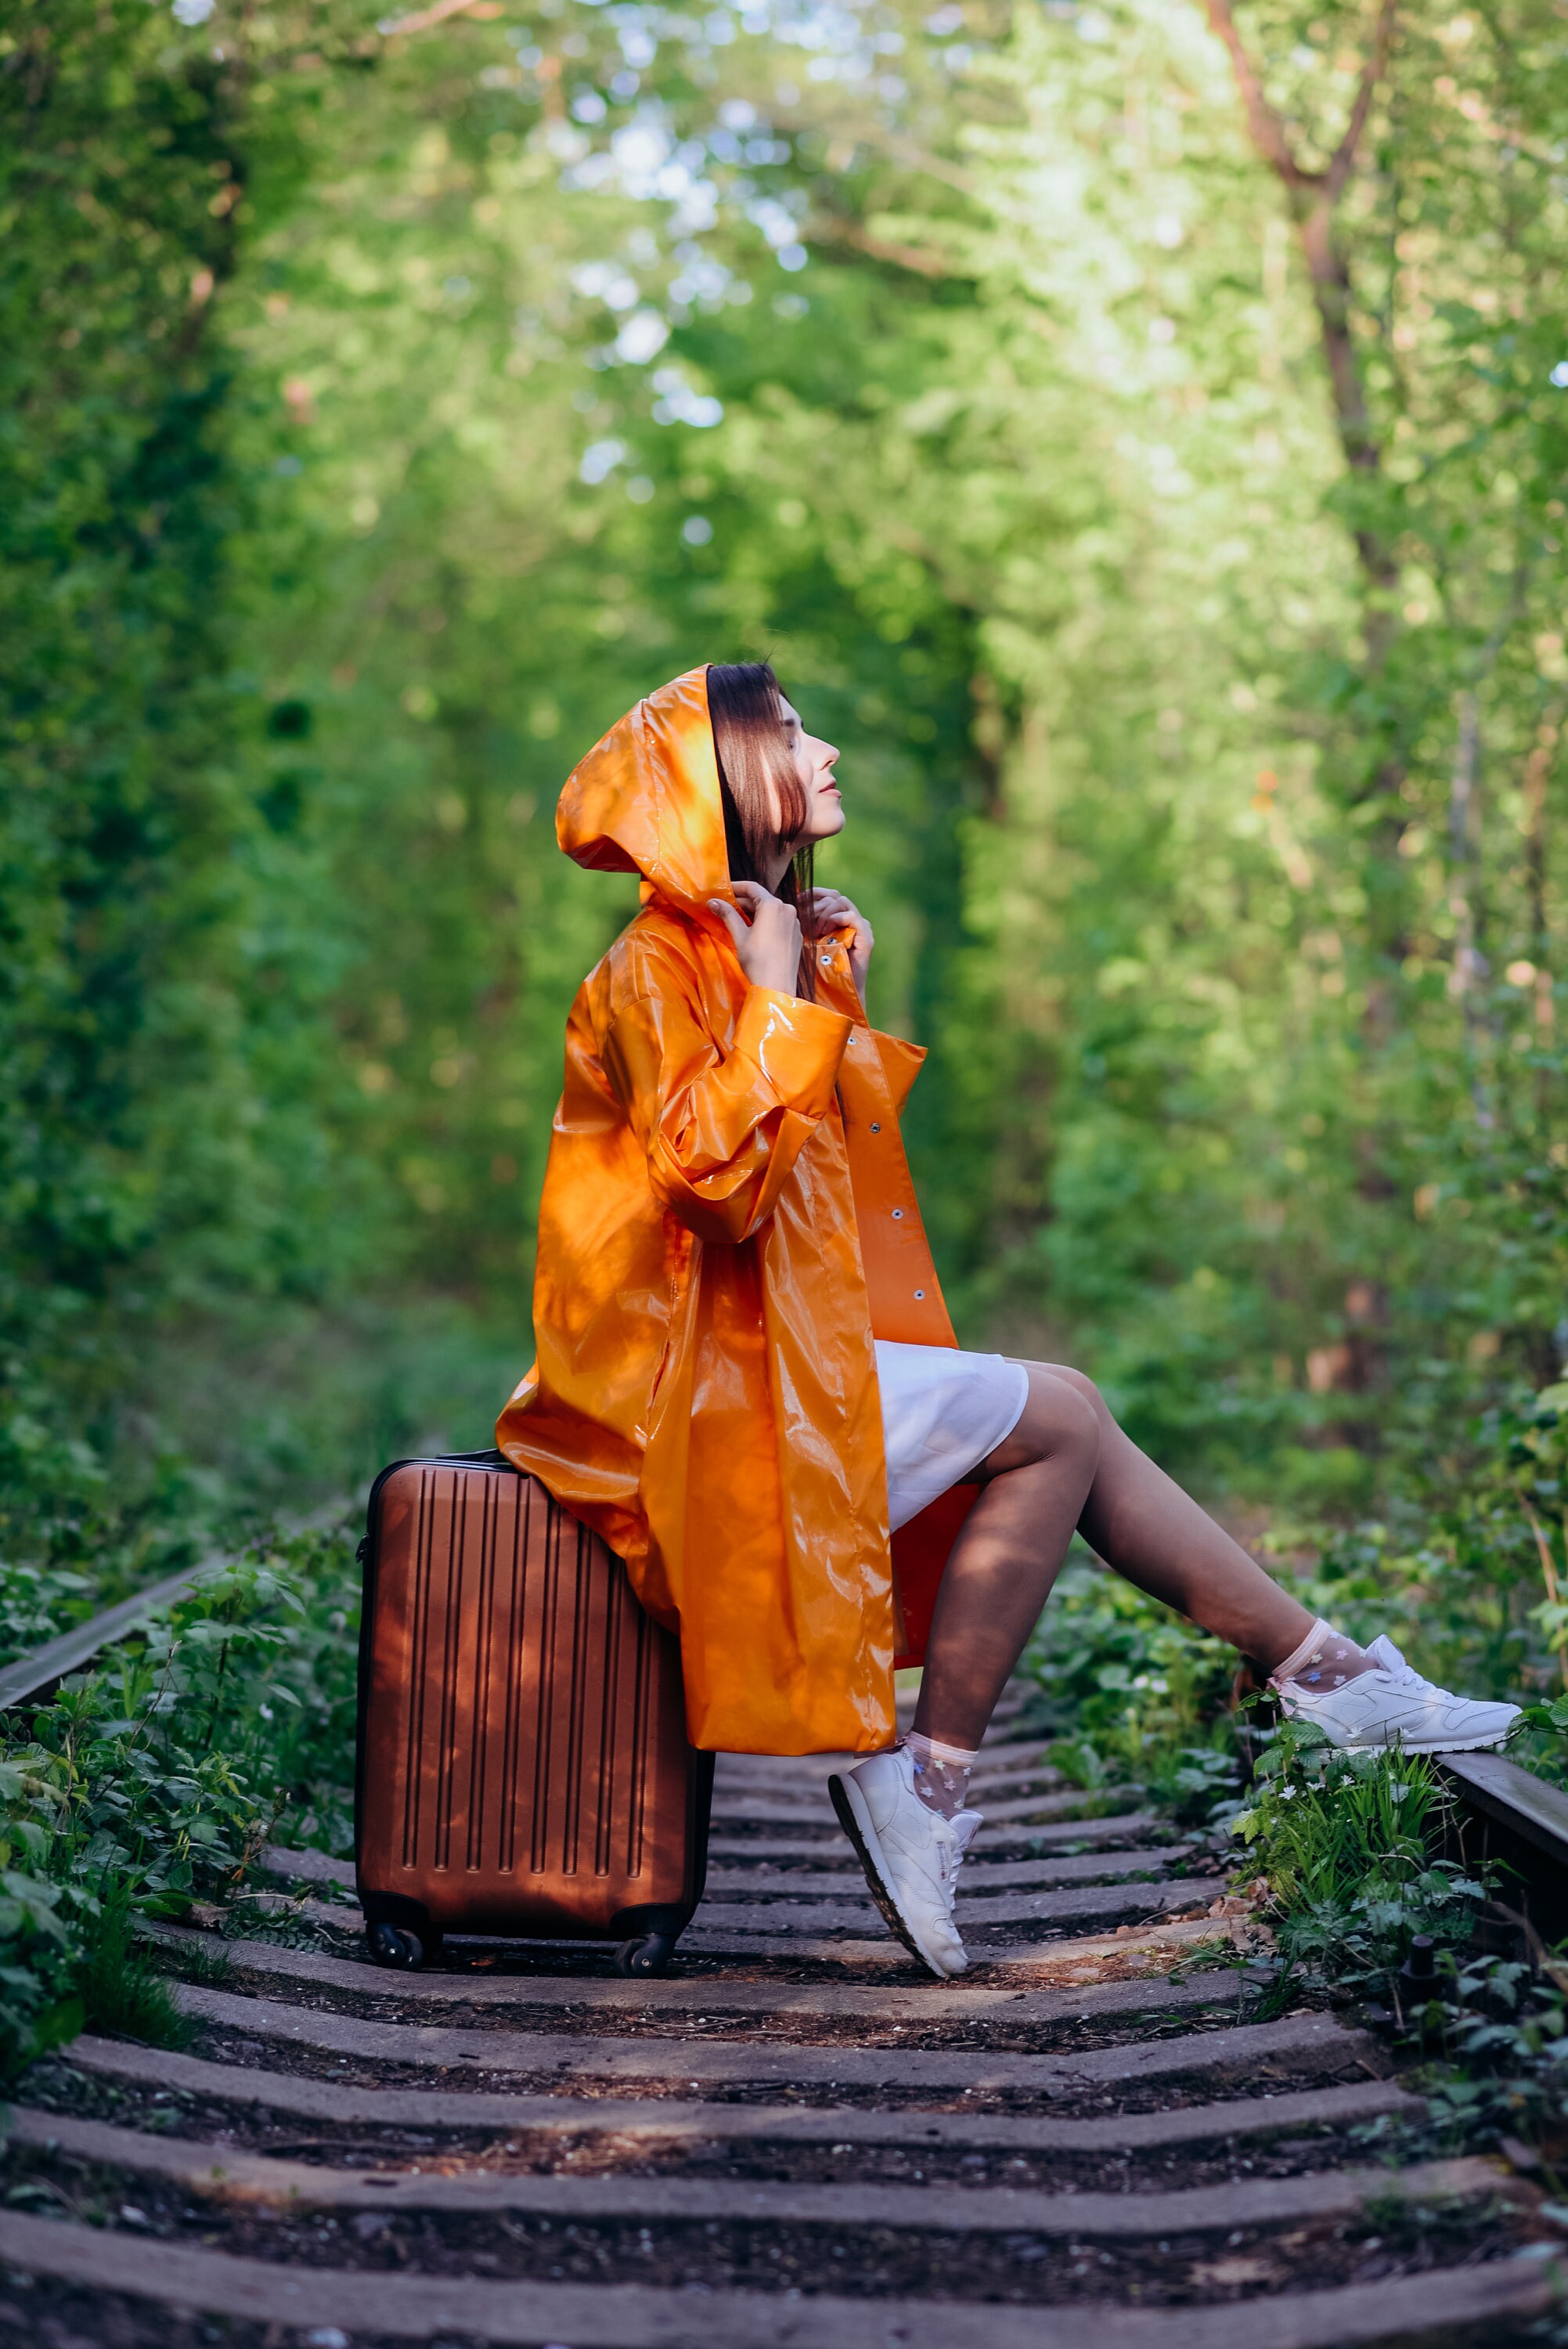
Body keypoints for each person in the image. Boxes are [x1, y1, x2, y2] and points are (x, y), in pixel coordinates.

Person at [498, 662, 1519, 1980]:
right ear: (730, 779)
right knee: (1060, 1417)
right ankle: (1274, 1694)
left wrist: (814, 982)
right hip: (676, 1411)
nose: (828, 749)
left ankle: (1274, 1691)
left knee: (1063, 1415)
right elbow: (722, 1197)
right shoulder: (655, 966)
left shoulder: (735, 947)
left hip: (753, 1374)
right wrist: (783, 999)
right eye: (797, 734)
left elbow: (812, 1185)